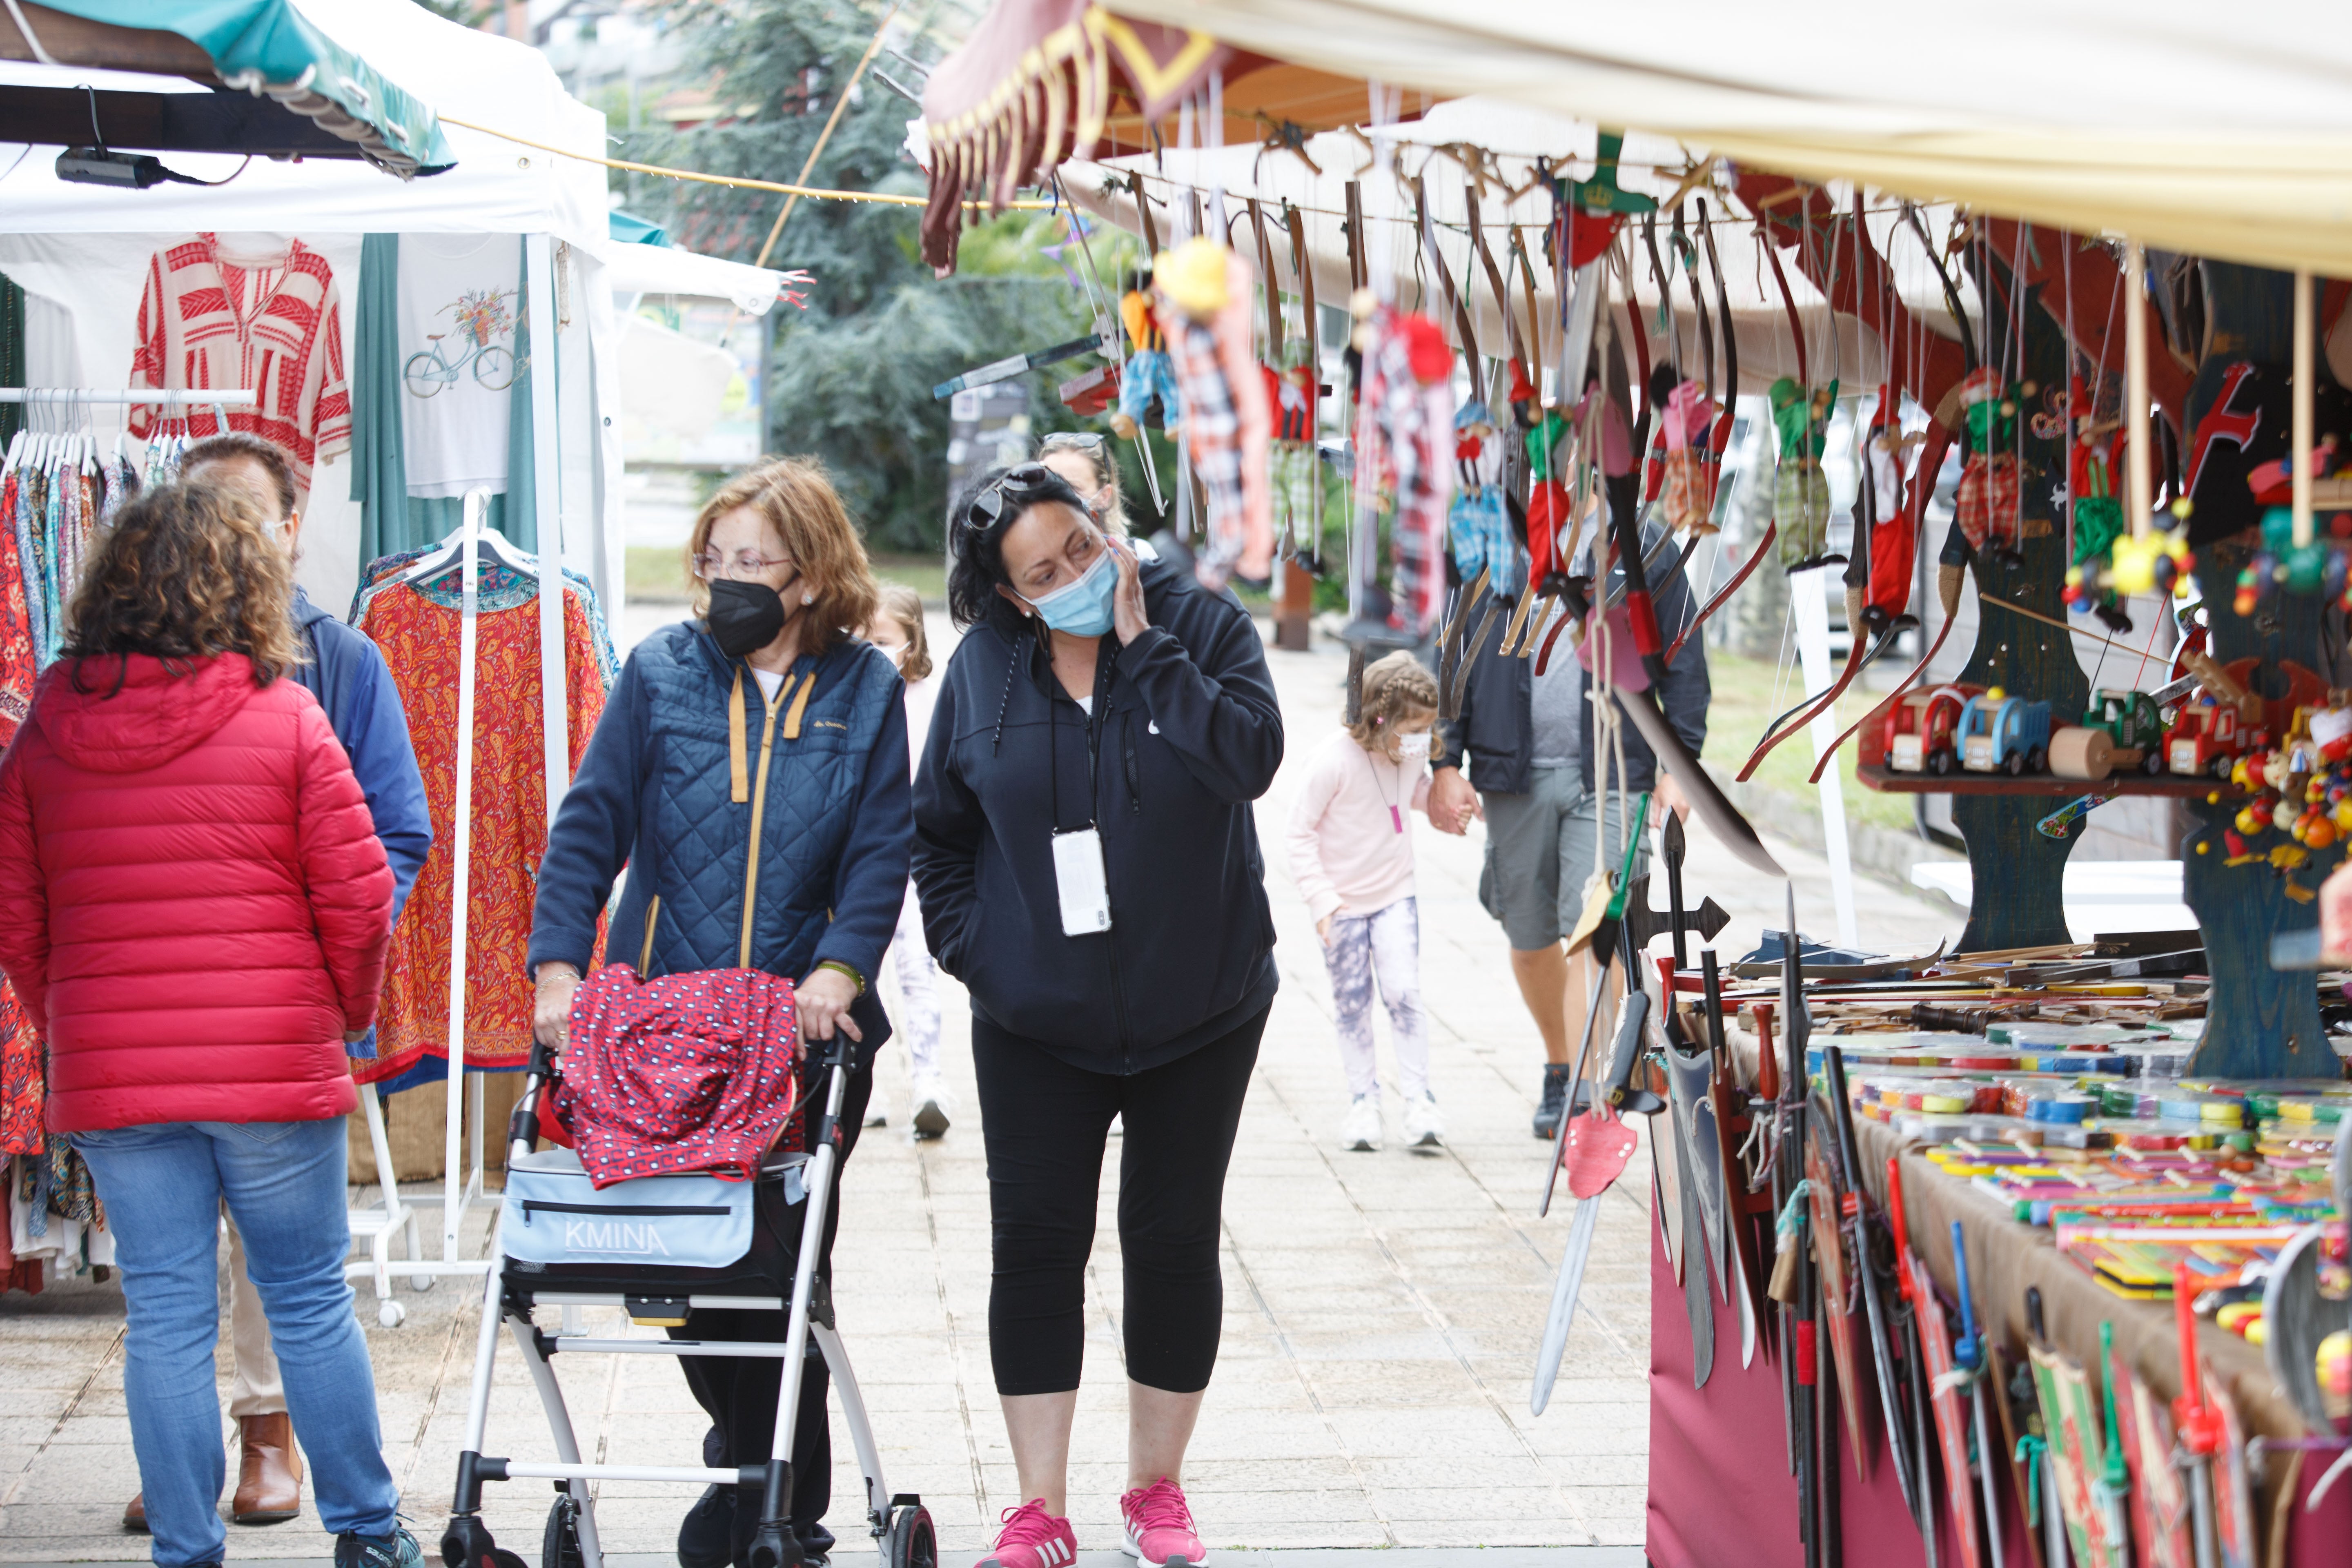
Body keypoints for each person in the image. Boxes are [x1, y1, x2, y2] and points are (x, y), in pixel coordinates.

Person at [0, 480, 414, 1568]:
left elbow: (15, 904)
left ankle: (187, 1550)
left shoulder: (50, 720)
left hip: (119, 1073)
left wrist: (68, 1022)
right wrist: (346, 1011)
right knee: (309, 1299)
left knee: (169, 1313)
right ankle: (369, 1535)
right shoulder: (284, 714)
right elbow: (363, 893)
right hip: (276, 1062)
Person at [528, 456, 910, 1568]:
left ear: (810, 570)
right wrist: (560, 969)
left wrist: (840, 970)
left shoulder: (864, 690)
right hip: (664, 1035)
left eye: (756, 561)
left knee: (781, 1271)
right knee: (679, 1272)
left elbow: (885, 848)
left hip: (799, 1037)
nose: (729, 579)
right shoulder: (659, 672)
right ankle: (748, 1469)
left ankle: (773, 1506)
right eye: (717, 559)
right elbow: (590, 825)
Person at [915, 463, 1282, 1568]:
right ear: (1015, 597)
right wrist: (984, 956)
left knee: (1171, 1241)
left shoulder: (1202, 627)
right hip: (1037, 1022)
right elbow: (939, 835)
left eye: (1080, 544)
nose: (1076, 572)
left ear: (1102, 524)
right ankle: (1038, 1508)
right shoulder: (983, 672)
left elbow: (1247, 760)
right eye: (1045, 572)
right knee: (1035, 1247)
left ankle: (1156, 1493)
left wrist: (1143, 644)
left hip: (1202, 1006)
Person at [106, 433, 434, 1534]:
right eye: (203, 514)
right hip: (190, 1027)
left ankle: (259, 1439)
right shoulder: (102, 685)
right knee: (188, 1289)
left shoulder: (332, 667)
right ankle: (226, 1478)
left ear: (292, 530)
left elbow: (389, 840)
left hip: (264, 1015)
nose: (221, 538)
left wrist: (325, 983)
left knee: (264, 1279)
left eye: (246, 516)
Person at [1429, 499, 1708, 1138]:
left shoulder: (1641, 536)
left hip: (1616, 768)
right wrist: (1445, 759)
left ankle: (1590, 1090)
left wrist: (1681, 763)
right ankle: (1562, 1064)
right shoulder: (1489, 527)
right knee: (1529, 938)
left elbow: (1685, 654)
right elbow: (1448, 646)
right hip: (1511, 770)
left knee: (1597, 930)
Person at [1285, 651, 1441, 1152]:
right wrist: (1321, 901)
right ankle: (1363, 1101)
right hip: (1342, 904)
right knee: (1352, 1004)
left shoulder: (1411, 752)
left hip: (1396, 893)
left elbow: (1408, 794)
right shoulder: (1333, 760)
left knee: (1404, 993)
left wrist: (1440, 802)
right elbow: (1299, 834)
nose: (1422, 738)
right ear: (1381, 718)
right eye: (1412, 727)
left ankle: (1419, 1098)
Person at [864, 582, 951, 1136]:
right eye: (864, 640)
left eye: (883, 640)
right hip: (867, 857)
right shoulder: (853, 696)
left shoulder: (932, 700)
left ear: (910, 640)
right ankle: (862, 1086)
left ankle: (929, 1081)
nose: (873, 650)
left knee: (917, 970)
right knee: (860, 972)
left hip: (918, 857)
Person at [1038, 429, 1128, 533]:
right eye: (1047, 484)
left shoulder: (1135, 549)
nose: (1057, 496)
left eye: (1072, 488)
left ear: (1104, 496)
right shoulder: (1021, 547)